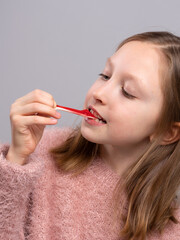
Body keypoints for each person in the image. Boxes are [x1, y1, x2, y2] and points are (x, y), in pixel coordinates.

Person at [0, 31, 180, 240]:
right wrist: (16, 159)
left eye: (128, 92)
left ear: (167, 131)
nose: (99, 93)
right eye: (105, 75)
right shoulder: (40, 156)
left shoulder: (171, 232)